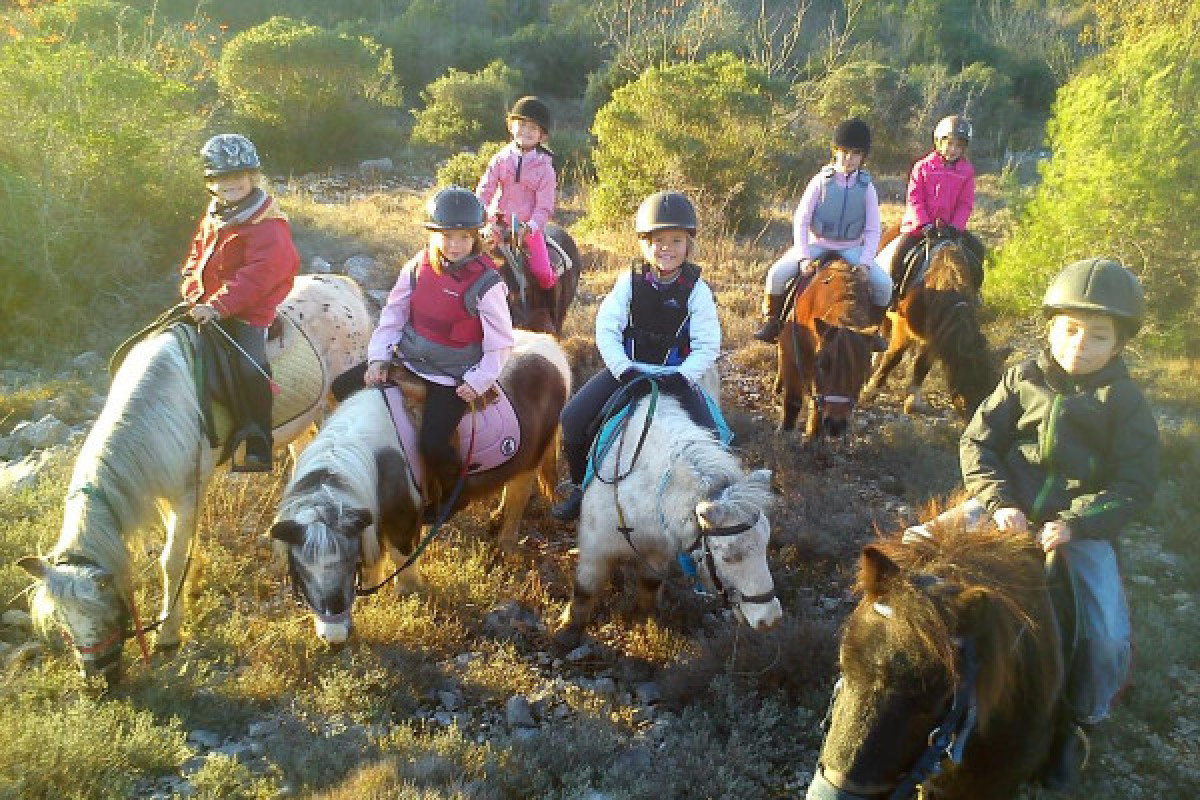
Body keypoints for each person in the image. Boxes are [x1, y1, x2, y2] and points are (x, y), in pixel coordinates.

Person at [930, 258, 1157, 791]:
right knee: (912, 551)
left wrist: (1078, 523)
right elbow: (978, 442)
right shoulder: (1022, 377)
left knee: (1103, 633)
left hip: (1076, 527)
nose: (1080, 344)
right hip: (1004, 504)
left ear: (1118, 346)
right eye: (1070, 329)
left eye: (1097, 336)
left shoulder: (1125, 403)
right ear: (1051, 327)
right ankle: (869, 678)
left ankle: (1078, 722)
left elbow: (1135, 484)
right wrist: (999, 499)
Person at [551, 191, 721, 522]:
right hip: (626, 371)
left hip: (673, 377)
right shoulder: (628, 282)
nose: (666, 248)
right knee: (572, 419)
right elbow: (607, 327)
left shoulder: (698, 292)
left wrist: (682, 376)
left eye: (676, 240)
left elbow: (708, 344)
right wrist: (622, 368)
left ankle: (713, 502)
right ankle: (581, 489)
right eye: (658, 240)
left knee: (711, 438)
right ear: (644, 243)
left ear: (689, 245)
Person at [365, 186, 515, 516]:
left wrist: (478, 380)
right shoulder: (418, 266)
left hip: (452, 376)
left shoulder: (487, 283)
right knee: (345, 391)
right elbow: (394, 312)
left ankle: (454, 493)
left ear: (475, 237)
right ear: (435, 235)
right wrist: (378, 355)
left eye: (463, 236)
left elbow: (501, 341)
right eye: (447, 236)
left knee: (432, 443)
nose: (455, 245)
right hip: (408, 359)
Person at [180, 133, 299, 472]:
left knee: (249, 366)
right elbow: (196, 259)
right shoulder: (214, 216)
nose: (230, 184)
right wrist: (192, 290)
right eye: (222, 178)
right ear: (211, 183)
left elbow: (259, 276)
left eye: (238, 176)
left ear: (252, 177)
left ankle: (259, 438)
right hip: (206, 308)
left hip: (248, 311)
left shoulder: (268, 225)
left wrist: (218, 306)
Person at [753, 118, 890, 345]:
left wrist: (865, 263)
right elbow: (801, 220)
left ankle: (872, 332)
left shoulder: (868, 188)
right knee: (776, 275)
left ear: (863, 156)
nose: (848, 159)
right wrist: (805, 257)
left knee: (884, 285)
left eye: (855, 153)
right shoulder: (820, 182)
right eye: (844, 152)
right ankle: (773, 322)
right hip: (818, 243)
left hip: (851, 247)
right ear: (835, 151)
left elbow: (874, 229)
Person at [887, 114, 986, 301]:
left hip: (951, 229)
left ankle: (975, 293)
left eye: (958, 146)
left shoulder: (967, 171)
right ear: (938, 142)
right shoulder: (922, 167)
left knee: (978, 250)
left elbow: (965, 203)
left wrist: (955, 227)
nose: (953, 149)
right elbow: (915, 199)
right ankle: (895, 291)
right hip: (920, 229)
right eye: (949, 144)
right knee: (899, 255)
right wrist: (925, 225)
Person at [476, 95, 558, 292]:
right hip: (496, 224)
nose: (526, 131)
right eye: (521, 125)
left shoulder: (545, 168)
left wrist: (529, 227)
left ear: (542, 135)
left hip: (526, 228)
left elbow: (544, 207)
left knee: (543, 274)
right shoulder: (499, 159)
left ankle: (549, 314)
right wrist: (482, 217)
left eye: (533, 128)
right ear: (511, 127)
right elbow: (485, 190)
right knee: (472, 262)